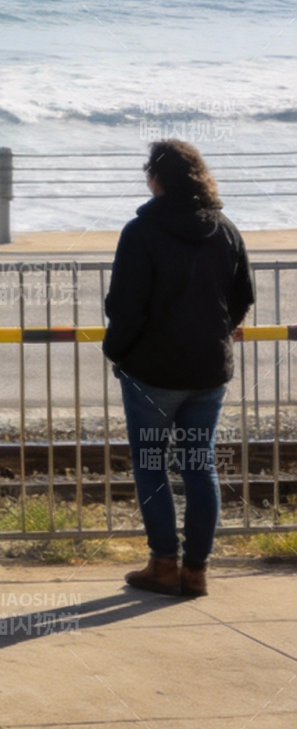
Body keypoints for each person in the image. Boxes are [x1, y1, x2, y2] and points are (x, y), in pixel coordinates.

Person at [103, 139, 252, 598]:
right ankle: (196, 571)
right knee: (199, 465)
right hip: (209, 371)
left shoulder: (141, 232)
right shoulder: (225, 229)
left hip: (152, 372)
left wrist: (118, 353)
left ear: (157, 179)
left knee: (151, 465)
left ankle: (164, 564)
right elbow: (242, 296)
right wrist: (219, 333)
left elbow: (124, 306)